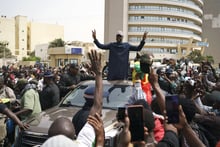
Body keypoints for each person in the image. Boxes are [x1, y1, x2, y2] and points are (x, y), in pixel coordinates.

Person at [42, 50, 105, 147]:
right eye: (75, 69)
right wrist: (98, 74)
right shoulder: (65, 76)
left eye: (77, 69)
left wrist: (96, 75)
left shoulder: (79, 75)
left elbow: (88, 78)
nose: (77, 70)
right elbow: (97, 106)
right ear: (75, 137)